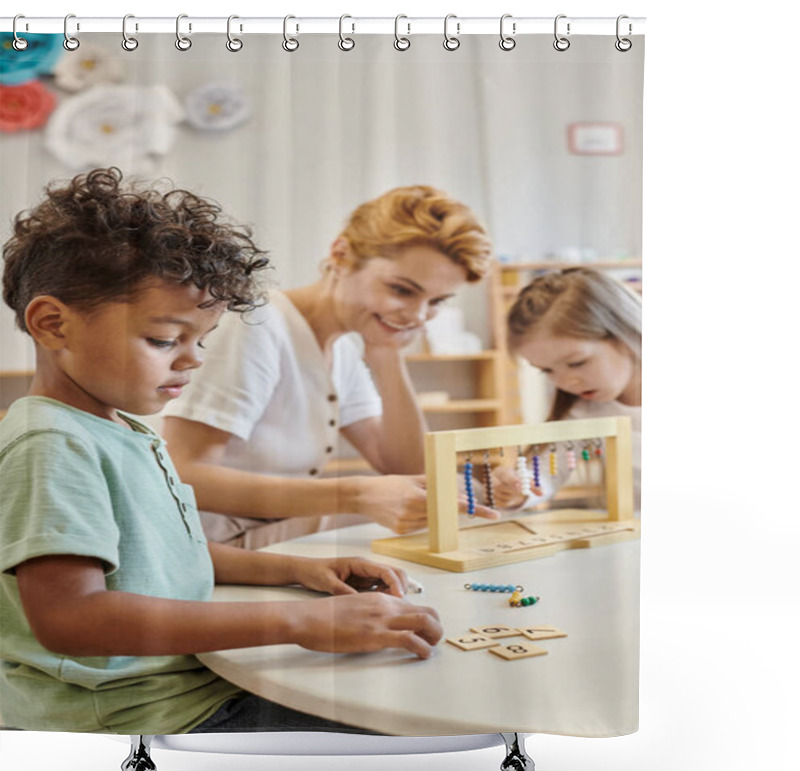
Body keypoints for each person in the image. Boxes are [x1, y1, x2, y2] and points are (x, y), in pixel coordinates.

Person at [0, 168, 442, 735]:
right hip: (136, 713)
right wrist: (297, 621)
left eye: (200, 341)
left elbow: (171, 553)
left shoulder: (119, 429)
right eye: (164, 340)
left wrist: (299, 572)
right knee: (397, 728)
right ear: (53, 324)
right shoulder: (52, 442)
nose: (192, 360)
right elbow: (71, 618)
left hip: (187, 681)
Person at [162, 185, 499, 548]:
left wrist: (387, 354)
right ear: (341, 254)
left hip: (264, 534)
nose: (418, 316)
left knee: (453, 511)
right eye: (402, 290)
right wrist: (354, 495)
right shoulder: (256, 324)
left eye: (437, 301)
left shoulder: (343, 351)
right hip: (206, 545)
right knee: (427, 528)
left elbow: (407, 469)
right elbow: (183, 474)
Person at [492, 267, 641, 511]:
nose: (565, 383)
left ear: (625, 335)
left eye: (576, 363)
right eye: (547, 371)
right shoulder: (585, 410)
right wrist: (518, 488)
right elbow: (547, 472)